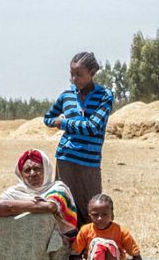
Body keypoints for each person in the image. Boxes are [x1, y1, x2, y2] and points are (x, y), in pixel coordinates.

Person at [43, 51, 114, 226]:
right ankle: (68, 243)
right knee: (65, 207)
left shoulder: (105, 96)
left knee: (92, 209)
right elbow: (48, 118)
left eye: (79, 74)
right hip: (65, 158)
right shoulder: (67, 95)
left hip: (89, 161)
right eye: (72, 74)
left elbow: (93, 127)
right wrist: (56, 122)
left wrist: (64, 123)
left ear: (92, 72)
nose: (74, 79)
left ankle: (92, 241)